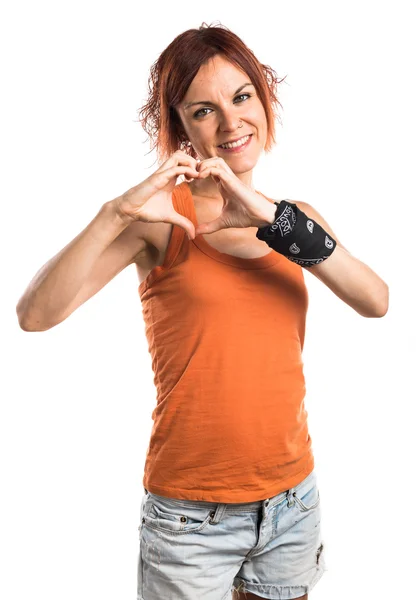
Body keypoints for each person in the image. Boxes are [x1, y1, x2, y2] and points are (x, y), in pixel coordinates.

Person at [16, 22, 389, 600]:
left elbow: (375, 300)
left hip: (290, 501)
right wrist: (115, 212)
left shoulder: (294, 221)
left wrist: (276, 221)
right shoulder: (164, 222)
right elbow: (35, 314)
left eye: (241, 97)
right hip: (190, 518)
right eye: (203, 110)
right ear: (182, 128)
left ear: (264, 99)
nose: (231, 122)